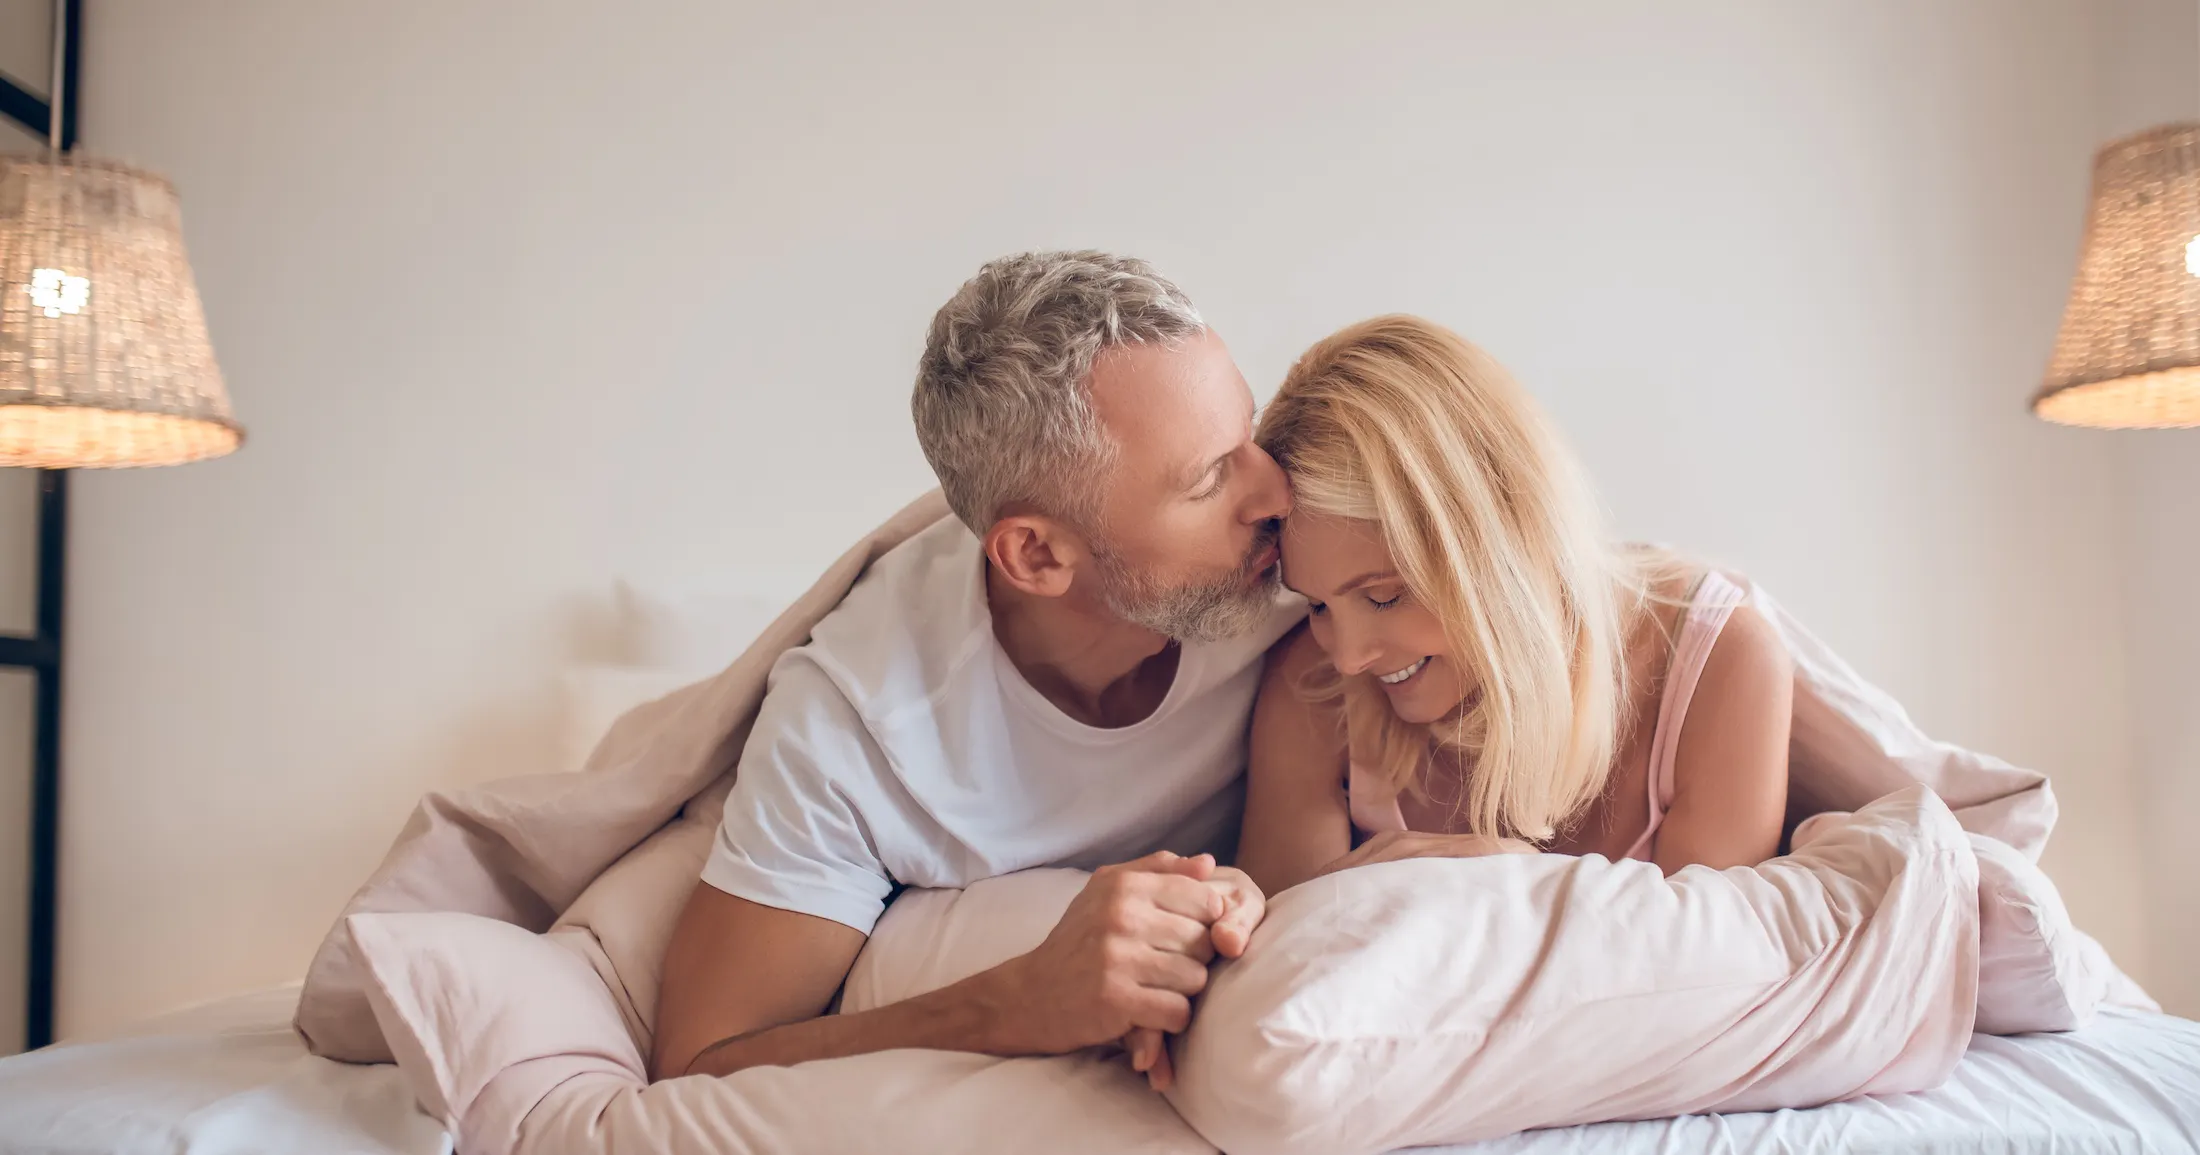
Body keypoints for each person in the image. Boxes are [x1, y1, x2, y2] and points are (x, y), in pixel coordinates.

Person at [651, 251, 1299, 1090]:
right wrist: (1020, 1001)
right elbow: (701, 1063)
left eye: (1247, 432)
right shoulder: (859, 730)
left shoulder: (1305, 574)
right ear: (1035, 554)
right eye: (1211, 477)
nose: (1277, 492)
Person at [1237, 315, 1795, 898]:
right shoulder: (1312, 685)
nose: (1348, 657)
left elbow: (1707, 977)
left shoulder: (1716, 664)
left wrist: (1520, 881)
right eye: (1319, 606)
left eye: (1384, 596)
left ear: (1503, 539)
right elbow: (1280, 965)